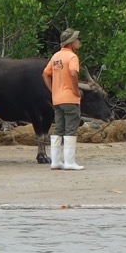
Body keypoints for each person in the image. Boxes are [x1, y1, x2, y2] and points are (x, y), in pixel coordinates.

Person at [42, 28, 85, 171]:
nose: (79, 41)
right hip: (70, 99)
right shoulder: (72, 57)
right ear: (71, 43)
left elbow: (45, 74)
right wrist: (75, 90)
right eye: (77, 39)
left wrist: (52, 90)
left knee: (59, 129)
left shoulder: (56, 56)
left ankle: (55, 161)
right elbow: (73, 73)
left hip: (57, 99)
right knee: (71, 129)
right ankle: (70, 162)